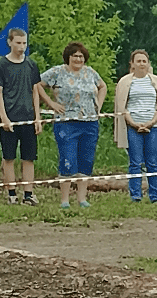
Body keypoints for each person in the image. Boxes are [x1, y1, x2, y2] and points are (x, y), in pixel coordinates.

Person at [41, 42, 108, 209]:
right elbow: (37, 85)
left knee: (86, 159)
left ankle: (82, 198)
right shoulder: (57, 72)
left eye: (81, 56)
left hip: (89, 123)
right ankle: (64, 200)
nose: (78, 59)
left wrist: (98, 105)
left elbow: (103, 86)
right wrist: (50, 103)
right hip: (66, 122)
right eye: (75, 56)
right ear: (68, 57)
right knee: (68, 159)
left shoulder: (90, 72)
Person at [114, 49, 157, 203]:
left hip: (152, 127)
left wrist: (151, 122)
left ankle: (155, 196)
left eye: (144, 61)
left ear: (148, 63)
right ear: (132, 64)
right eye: (138, 61)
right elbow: (122, 106)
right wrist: (133, 123)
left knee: (152, 162)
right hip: (133, 127)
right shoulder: (125, 82)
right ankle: (135, 196)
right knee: (135, 162)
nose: (141, 64)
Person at [0, 26, 44, 205]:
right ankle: (11, 194)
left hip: (28, 117)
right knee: (9, 157)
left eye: (24, 43)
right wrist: (4, 118)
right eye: (18, 43)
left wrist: (38, 117)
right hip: (10, 118)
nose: (22, 46)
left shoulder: (31, 65)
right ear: (10, 43)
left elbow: (35, 91)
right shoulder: (1, 65)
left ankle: (28, 194)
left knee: (28, 157)